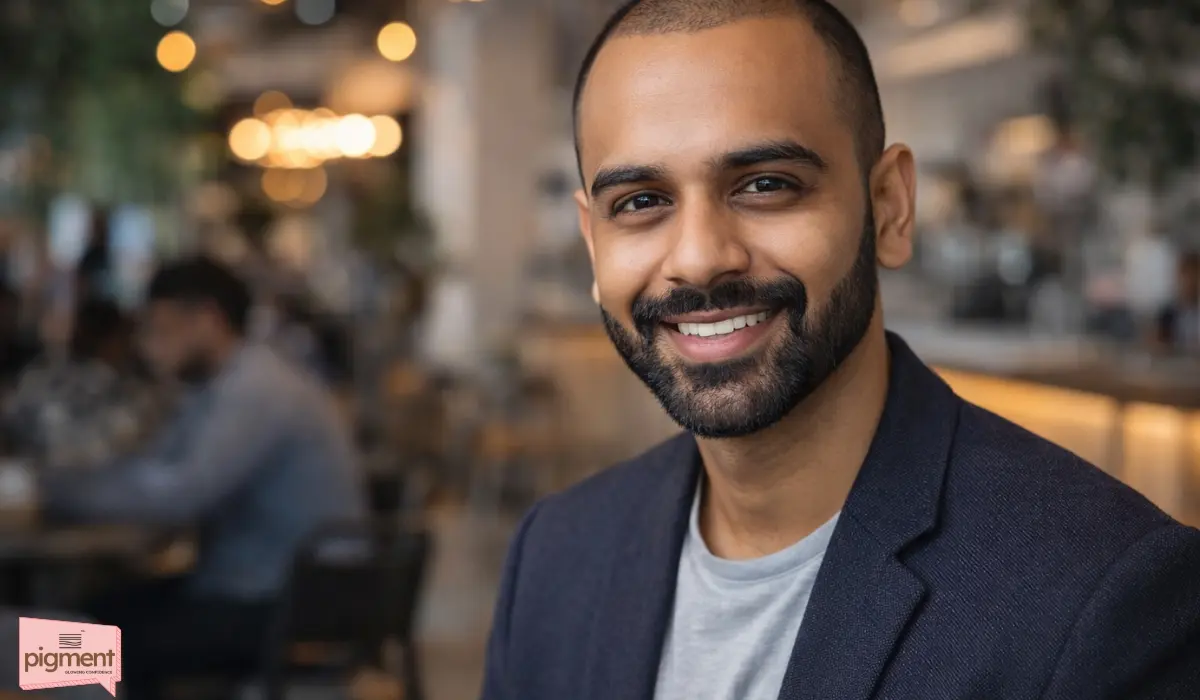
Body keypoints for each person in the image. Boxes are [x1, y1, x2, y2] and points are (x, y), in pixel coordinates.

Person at [481, 2, 1200, 700]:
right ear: (592, 241)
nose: (699, 260)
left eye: (766, 185)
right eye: (640, 202)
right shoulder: (556, 554)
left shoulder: (1105, 597)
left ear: (889, 207)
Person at [40, 257, 366, 699]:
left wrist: (58, 489)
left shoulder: (253, 391)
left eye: (162, 329)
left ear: (208, 319)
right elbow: (156, 468)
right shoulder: (228, 384)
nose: (151, 344)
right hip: (276, 592)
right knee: (87, 614)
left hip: (283, 606)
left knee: (66, 642)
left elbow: (178, 494)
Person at [3, 299, 166, 471]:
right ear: (115, 340)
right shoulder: (128, 393)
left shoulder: (36, 376)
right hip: (89, 485)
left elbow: (10, 426)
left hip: (26, 479)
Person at [1155, 251, 1199, 352]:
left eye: (1194, 276)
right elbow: (1158, 343)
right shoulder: (1168, 312)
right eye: (1186, 276)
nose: (1190, 282)